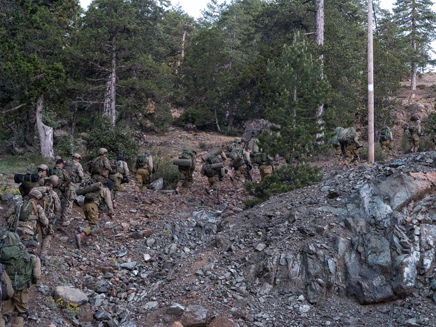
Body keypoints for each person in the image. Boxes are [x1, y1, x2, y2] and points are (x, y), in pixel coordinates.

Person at [0, 231, 41, 327]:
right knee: (21, 313)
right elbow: (36, 275)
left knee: (4, 313)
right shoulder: (28, 256)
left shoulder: (2, 255)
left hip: (6, 288)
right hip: (21, 288)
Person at [75, 181, 114, 249]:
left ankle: (88, 241)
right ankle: (80, 235)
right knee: (94, 226)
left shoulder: (97, 189)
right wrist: (111, 212)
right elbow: (109, 202)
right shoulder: (106, 190)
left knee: (92, 224)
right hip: (93, 206)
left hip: (86, 206)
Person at [32, 179, 61, 260]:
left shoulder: (36, 190)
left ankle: (32, 254)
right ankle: (43, 256)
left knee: (34, 235)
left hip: (35, 217)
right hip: (47, 218)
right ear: (51, 185)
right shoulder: (53, 194)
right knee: (47, 236)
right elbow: (58, 207)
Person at [49, 159, 72, 227]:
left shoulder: (51, 170)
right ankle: (64, 220)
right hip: (60, 191)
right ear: (61, 164)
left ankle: (51, 220)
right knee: (64, 204)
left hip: (51, 190)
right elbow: (68, 180)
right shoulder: (63, 171)